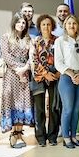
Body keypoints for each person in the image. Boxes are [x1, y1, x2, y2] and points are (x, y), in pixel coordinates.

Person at [54, 14, 79, 149]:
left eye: (74, 23)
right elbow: (58, 62)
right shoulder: (60, 41)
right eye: (69, 23)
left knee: (76, 110)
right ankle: (66, 137)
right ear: (65, 25)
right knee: (68, 109)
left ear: (78, 26)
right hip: (67, 77)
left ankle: (74, 136)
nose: (72, 26)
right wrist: (71, 74)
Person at [0, 13, 34, 148]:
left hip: (25, 74)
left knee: (23, 103)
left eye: (23, 23)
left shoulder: (28, 39)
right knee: (12, 101)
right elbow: (6, 56)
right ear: (14, 23)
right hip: (11, 75)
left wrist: (24, 69)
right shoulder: (6, 37)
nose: (21, 25)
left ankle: (19, 133)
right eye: (19, 22)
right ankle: (13, 134)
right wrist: (18, 70)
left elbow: (32, 57)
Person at [29, 14, 60, 146]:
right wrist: (45, 73)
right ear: (39, 27)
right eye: (43, 24)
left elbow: (63, 58)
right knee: (39, 109)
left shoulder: (58, 40)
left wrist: (58, 73)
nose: (46, 27)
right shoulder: (34, 41)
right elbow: (33, 60)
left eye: (48, 24)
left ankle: (52, 136)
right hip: (39, 78)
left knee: (54, 108)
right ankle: (41, 137)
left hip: (55, 77)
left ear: (52, 26)